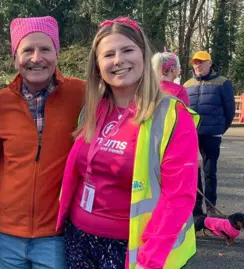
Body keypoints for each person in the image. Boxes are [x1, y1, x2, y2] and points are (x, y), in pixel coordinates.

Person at [56, 17, 199, 269]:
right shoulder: (92, 110)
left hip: (134, 249)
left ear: (144, 55)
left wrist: (150, 259)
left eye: (127, 50)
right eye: (108, 54)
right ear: (97, 65)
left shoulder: (171, 115)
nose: (118, 60)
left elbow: (178, 197)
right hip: (79, 239)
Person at [0, 16, 86, 269]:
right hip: (6, 236)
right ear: (15, 57)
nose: (36, 58)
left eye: (45, 49)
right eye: (27, 50)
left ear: (57, 53)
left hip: (55, 236)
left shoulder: (83, 94)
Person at [184, 51, 236, 217]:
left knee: (209, 171)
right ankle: (197, 208)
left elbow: (229, 111)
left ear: (209, 63)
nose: (198, 65)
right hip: (191, 136)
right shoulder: (187, 85)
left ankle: (211, 206)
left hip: (211, 135)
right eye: (195, 63)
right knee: (193, 172)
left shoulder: (223, 83)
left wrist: (219, 129)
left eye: (201, 62)